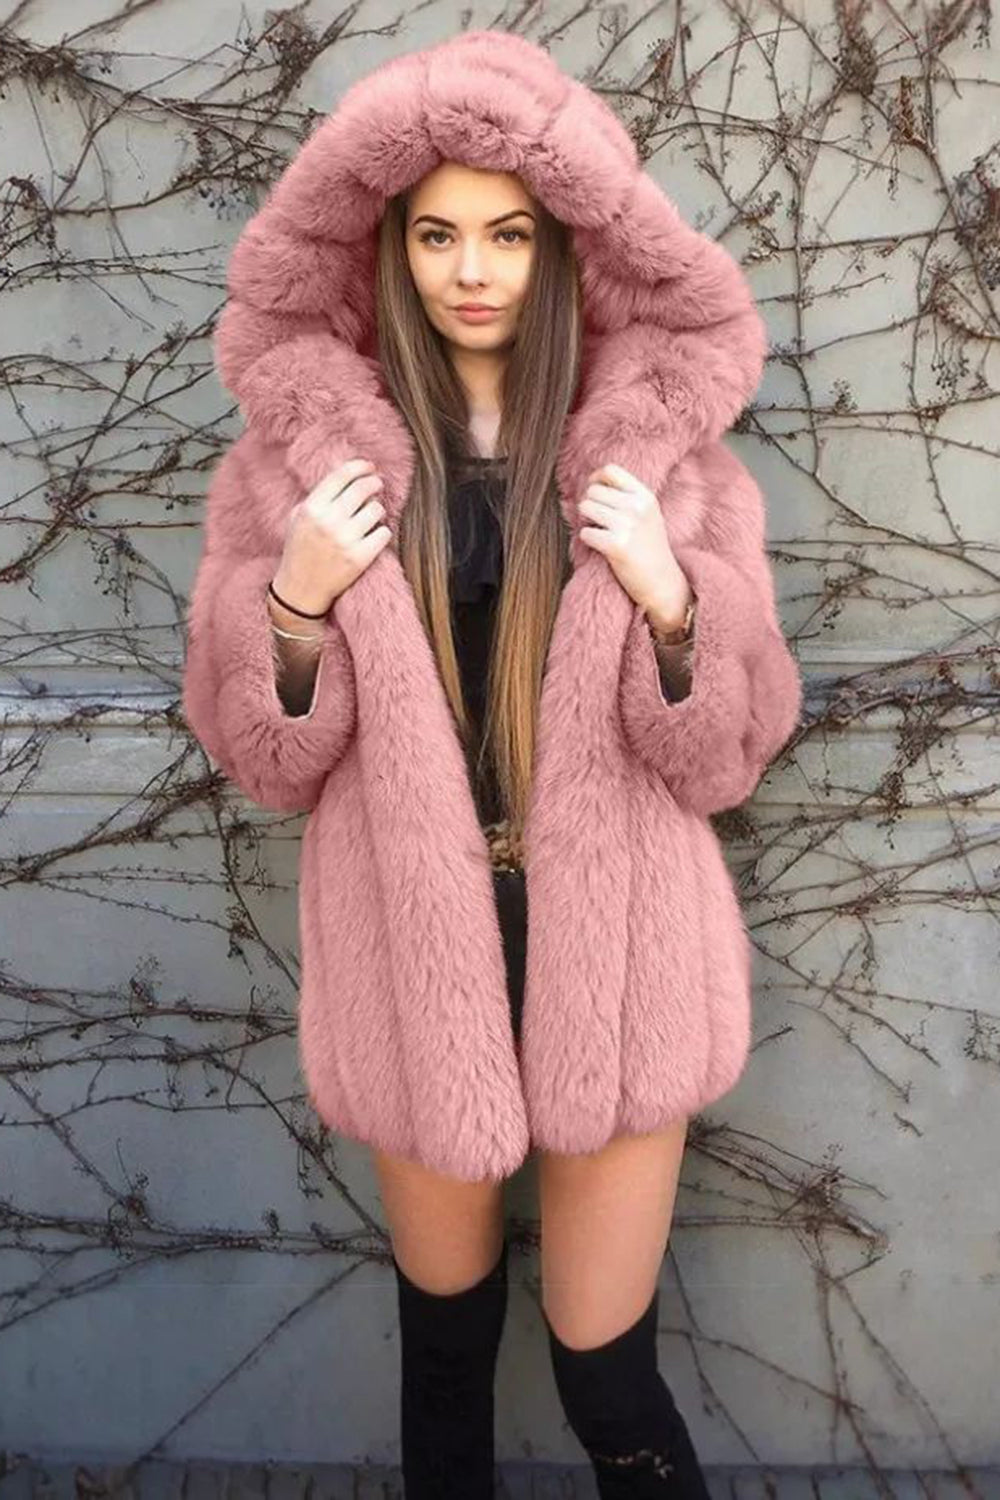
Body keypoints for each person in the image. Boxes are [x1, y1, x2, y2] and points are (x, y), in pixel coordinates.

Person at [182, 29, 802, 1498]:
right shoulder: (292, 472)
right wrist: (295, 601)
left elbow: (729, 752)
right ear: (388, 247)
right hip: (412, 950)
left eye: (510, 234)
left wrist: (670, 595)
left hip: (623, 952)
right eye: (438, 233)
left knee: (607, 1371)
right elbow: (267, 757)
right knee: (447, 1357)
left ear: (563, 246)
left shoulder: (664, 465)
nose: (473, 270)